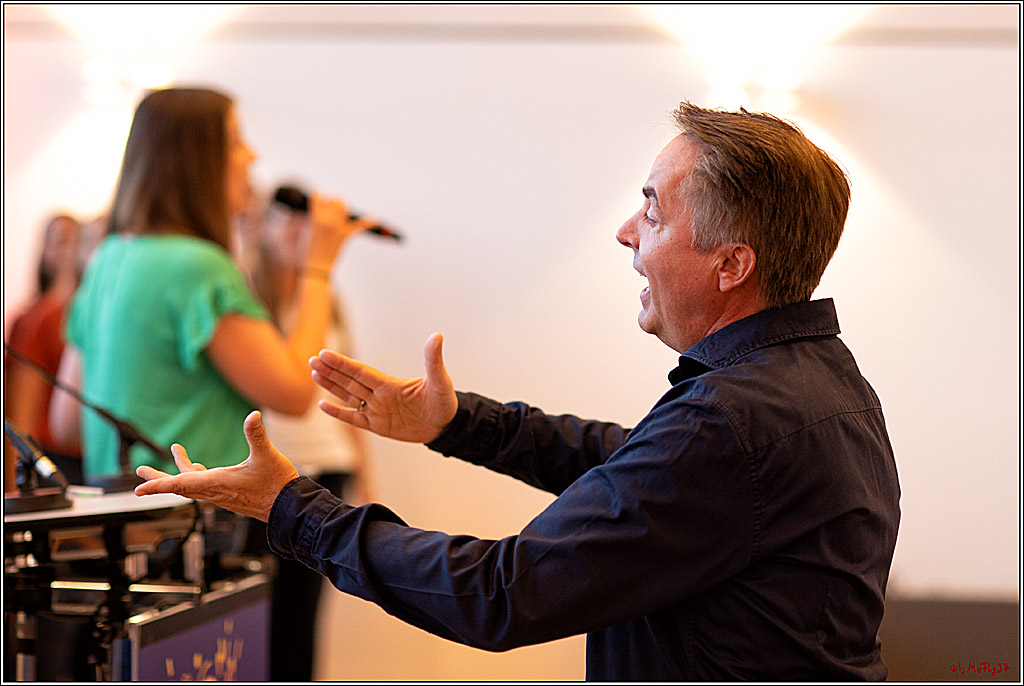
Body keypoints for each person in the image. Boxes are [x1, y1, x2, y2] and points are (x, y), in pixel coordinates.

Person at [134, 102, 902, 680]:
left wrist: (291, 510)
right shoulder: (819, 381)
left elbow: (499, 593)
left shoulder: (736, 420)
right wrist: (457, 421)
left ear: (732, 264)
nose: (627, 232)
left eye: (654, 209)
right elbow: (636, 462)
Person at [48, 87, 372, 485]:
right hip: (197, 514)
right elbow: (295, 393)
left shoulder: (108, 258)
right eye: (236, 141)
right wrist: (318, 265)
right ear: (195, 160)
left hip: (127, 511)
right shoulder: (198, 267)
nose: (252, 157)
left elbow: (66, 422)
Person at [240, 183, 376, 681]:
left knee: (304, 617)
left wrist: (365, 471)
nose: (301, 233)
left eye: (307, 222)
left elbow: (349, 389)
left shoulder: (327, 297)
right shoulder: (249, 293)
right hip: (277, 470)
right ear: (264, 226)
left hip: (331, 468)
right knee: (264, 616)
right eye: (288, 220)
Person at [5, 214, 84, 490]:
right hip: (51, 460)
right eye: (62, 241)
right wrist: (14, 488)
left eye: (79, 239)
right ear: (46, 251)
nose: (73, 249)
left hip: (89, 457)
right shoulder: (37, 319)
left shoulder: (89, 312)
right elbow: (20, 416)